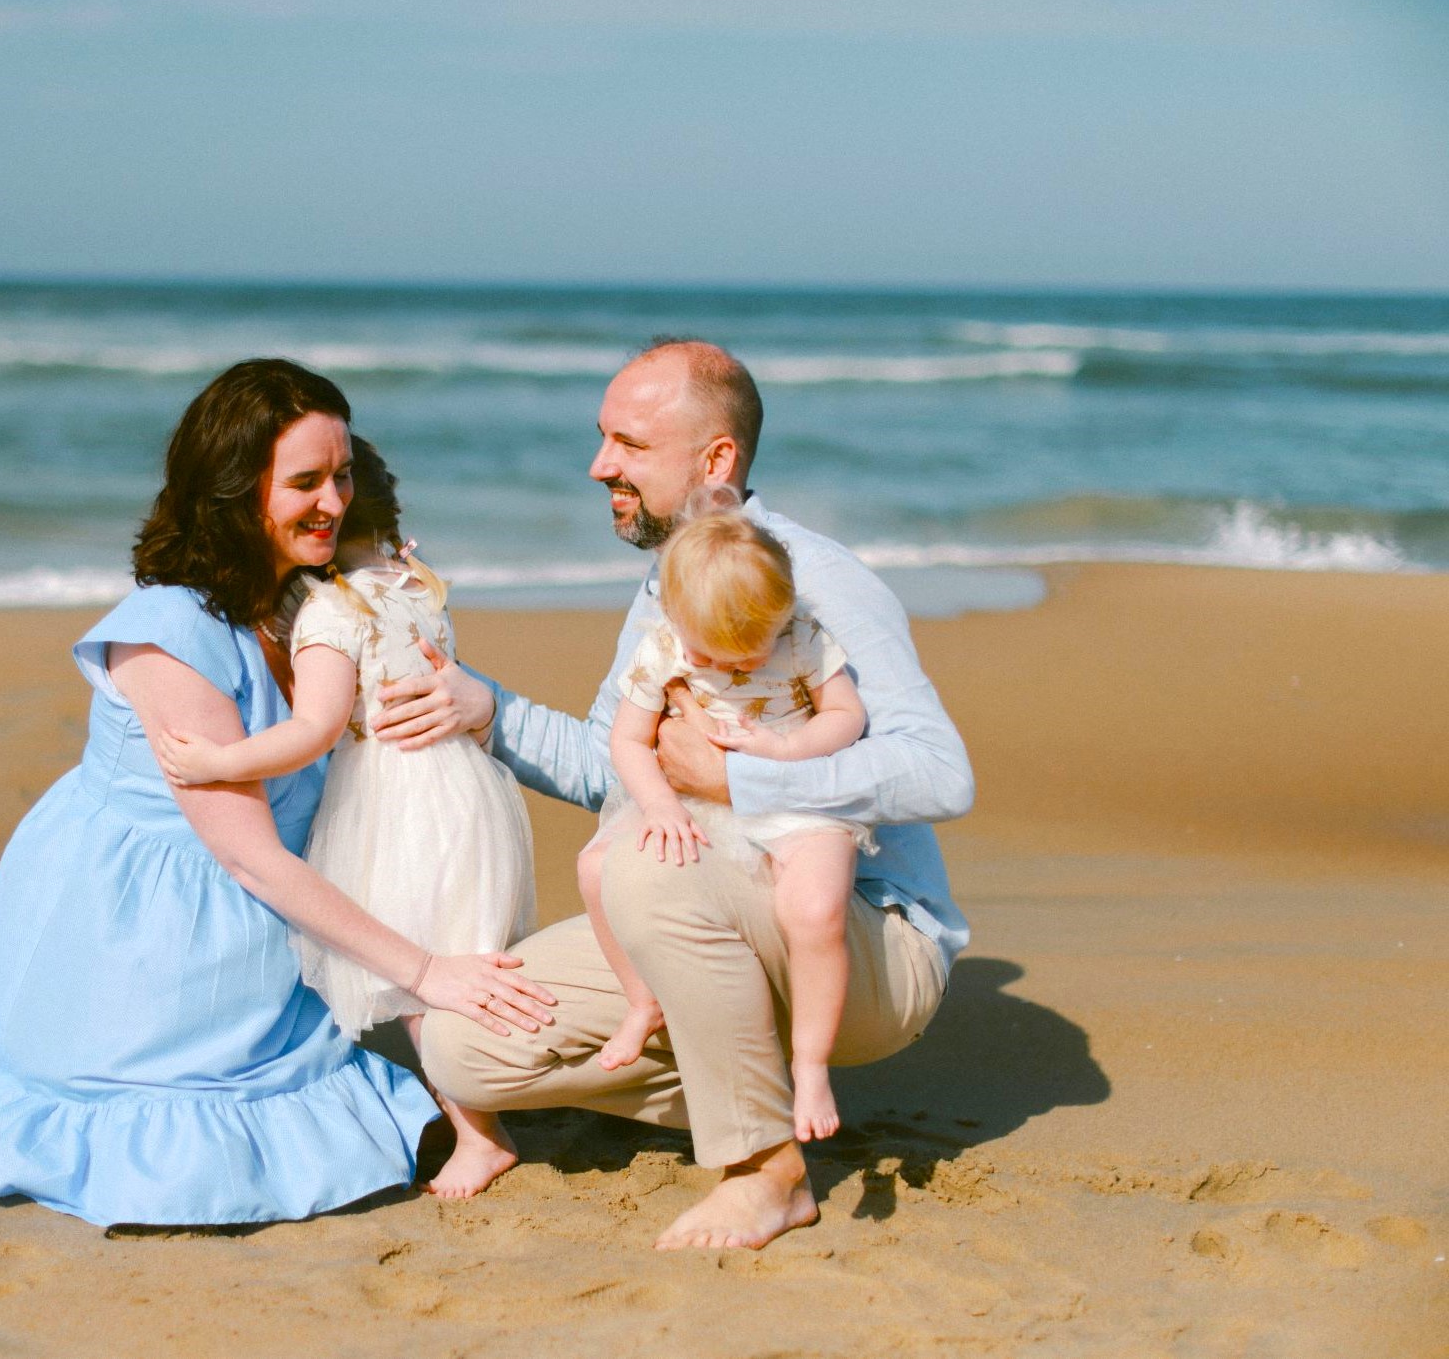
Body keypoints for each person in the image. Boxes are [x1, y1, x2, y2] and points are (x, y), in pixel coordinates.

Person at [0, 359, 555, 1229]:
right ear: (231, 492)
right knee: (189, 1103)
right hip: (155, 914)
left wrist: (470, 703)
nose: (333, 502)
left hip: (279, 888)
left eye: (343, 475)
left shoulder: (309, 598)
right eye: (304, 483)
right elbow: (249, 858)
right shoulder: (171, 634)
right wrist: (425, 969)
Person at [387, 339, 974, 1251]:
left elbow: (940, 770)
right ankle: (737, 1063)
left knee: (644, 873)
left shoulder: (809, 580)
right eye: (601, 438)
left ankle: (765, 1171)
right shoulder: (664, 582)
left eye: (628, 444)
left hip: (858, 934)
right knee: (468, 1049)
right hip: (711, 906)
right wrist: (486, 710)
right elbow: (609, 764)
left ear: (716, 461)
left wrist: (743, 774)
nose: (599, 465)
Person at [153, 434, 535, 1198]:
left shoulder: (330, 611)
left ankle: (479, 1136)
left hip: (394, 798)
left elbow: (315, 730)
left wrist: (220, 762)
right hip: (467, 787)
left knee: (414, 979)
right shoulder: (417, 584)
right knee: (464, 948)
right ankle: (500, 1093)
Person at [579, 505, 873, 1146]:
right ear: (677, 620)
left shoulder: (802, 637)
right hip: (691, 799)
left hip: (794, 797)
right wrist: (658, 805)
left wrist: (787, 748)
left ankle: (811, 1063)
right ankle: (642, 1001)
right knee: (595, 868)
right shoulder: (663, 646)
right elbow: (627, 742)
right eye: (708, 651)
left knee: (816, 908)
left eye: (748, 652)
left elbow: (846, 714)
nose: (728, 666)